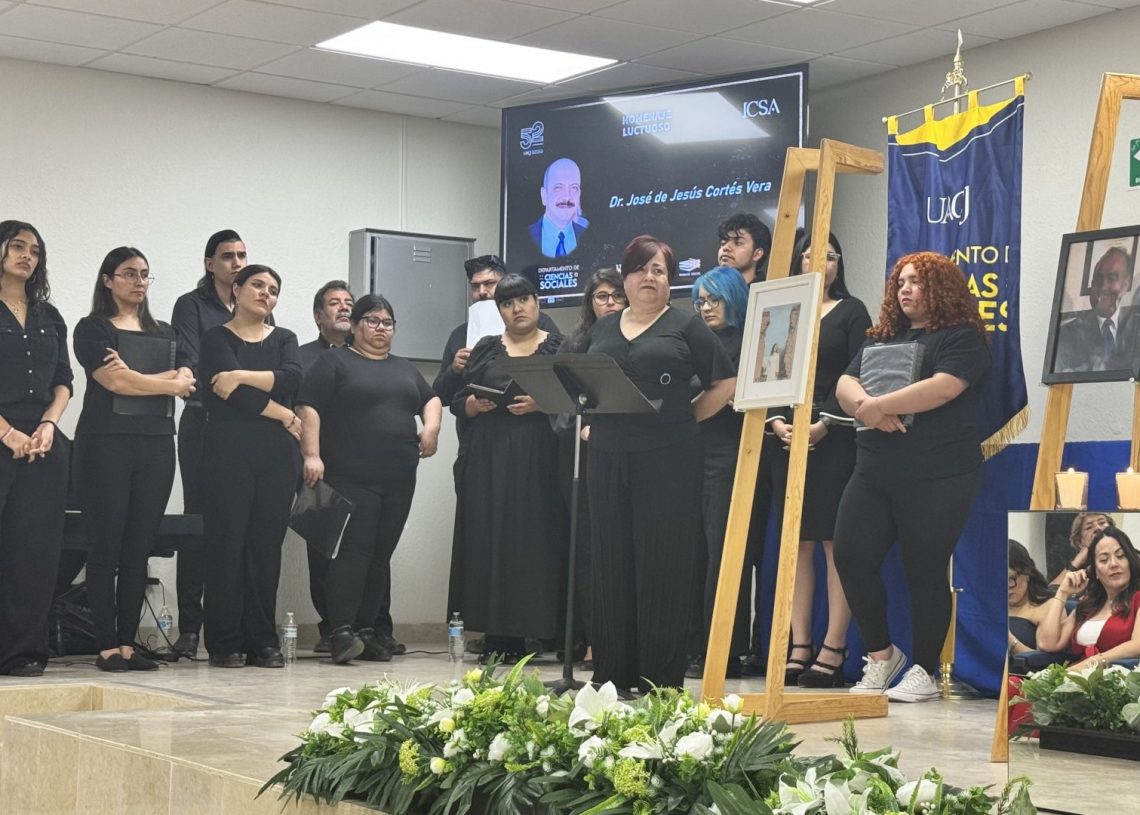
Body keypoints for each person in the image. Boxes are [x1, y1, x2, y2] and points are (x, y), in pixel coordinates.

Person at [833, 251, 991, 703]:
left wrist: (880, 405)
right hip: (874, 469)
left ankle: (924, 669)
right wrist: (865, 406)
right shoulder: (883, 337)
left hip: (939, 473)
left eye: (917, 282)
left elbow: (944, 387)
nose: (905, 289)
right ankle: (882, 656)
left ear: (941, 288)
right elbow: (844, 383)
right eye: (900, 282)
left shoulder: (963, 337)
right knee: (850, 555)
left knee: (924, 568)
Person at [585, 235, 735, 691]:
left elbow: (725, 383)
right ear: (625, 277)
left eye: (659, 271)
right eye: (640, 269)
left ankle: (659, 678)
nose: (649, 278)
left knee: (663, 562)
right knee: (610, 559)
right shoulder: (603, 329)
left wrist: (685, 418)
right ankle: (612, 675)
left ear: (670, 280)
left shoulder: (686, 326)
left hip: (669, 458)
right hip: (607, 456)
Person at [298, 294, 441, 664]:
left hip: (398, 478)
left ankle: (367, 631)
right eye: (373, 321)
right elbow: (308, 408)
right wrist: (311, 455)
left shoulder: (403, 368)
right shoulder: (334, 362)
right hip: (349, 477)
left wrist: (431, 428)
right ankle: (340, 632)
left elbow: (431, 399)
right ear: (355, 325)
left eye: (387, 323)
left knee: (380, 554)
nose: (381, 329)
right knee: (353, 553)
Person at [73, 247, 194, 672]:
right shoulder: (93, 328)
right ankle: (106, 646)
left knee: (138, 548)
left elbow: (187, 377)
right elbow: (115, 383)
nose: (139, 281)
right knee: (105, 547)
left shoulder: (166, 332)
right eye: (128, 273)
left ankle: (127, 644)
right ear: (108, 280)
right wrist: (165, 382)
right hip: (105, 444)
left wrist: (140, 377)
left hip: (156, 444)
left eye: (144, 274)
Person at [769, 233, 871, 687]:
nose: (820, 262)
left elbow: (859, 371)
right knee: (797, 543)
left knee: (833, 543)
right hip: (786, 438)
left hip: (836, 438)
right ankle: (799, 643)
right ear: (797, 261)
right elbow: (768, 370)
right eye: (810, 254)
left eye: (830, 256)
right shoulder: (782, 310)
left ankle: (834, 645)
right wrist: (777, 421)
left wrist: (824, 423)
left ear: (838, 264)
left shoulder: (852, 311)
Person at [448, 274, 566, 662]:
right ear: (499, 310)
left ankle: (534, 635)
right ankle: (496, 637)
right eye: (507, 303)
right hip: (490, 458)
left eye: (523, 300)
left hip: (539, 458)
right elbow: (458, 399)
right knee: (491, 538)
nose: (517, 309)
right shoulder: (486, 348)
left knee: (533, 540)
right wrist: (473, 405)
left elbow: (576, 400)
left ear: (537, 302)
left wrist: (542, 403)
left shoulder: (559, 347)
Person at [198, 265, 301, 668]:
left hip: (276, 457)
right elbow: (229, 396)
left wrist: (240, 374)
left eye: (273, 290)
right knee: (227, 544)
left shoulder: (285, 338)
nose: (265, 294)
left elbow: (292, 379)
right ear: (237, 289)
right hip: (227, 453)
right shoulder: (216, 338)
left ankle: (262, 641)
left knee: (265, 548)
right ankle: (224, 641)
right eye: (257, 285)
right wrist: (283, 414)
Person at [170, 229, 249, 658]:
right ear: (210, 264)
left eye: (242, 255)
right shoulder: (192, 305)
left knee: (237, 522)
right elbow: (191, 359)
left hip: (246, 425)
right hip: (203, 419)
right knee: (199, 520)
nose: (237, 263)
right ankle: (189, 628)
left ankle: (234, 626)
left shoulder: (254, 303)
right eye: (228, 256)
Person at [0, 221, 73, 677]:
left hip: (43, 443)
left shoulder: (49, 316)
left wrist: (49, 424)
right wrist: (7, 433)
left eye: (35, 250)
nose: (27, 255)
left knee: (35, 553)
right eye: (17, 246)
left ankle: (23, 651)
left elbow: (64, 380)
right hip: (2, 434)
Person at [552, 268, 627, 668]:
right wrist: (580, 426)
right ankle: (594, 639)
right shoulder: (576, 343)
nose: (610, 303)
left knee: (622, 548)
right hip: (582, 456)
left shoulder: (637, 340)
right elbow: (561, 405)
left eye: (617, 295)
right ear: (590, 303)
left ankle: (623, 640)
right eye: (602, 296)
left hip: (629, 454)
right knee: (587, 551)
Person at [686, 265, 751, 680]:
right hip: (692, 453)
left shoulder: (748, 342)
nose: (706, 308)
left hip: (728, 455)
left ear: (734, 299)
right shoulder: (696, 341)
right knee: (693, 552)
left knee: (721, 553)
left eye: (715, 300)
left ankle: (722, 647)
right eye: (701, 301)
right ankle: (692, 643)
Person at [297, 280, 355, 655]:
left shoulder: (367, 355)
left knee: (367, 548)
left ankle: (373, 625)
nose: (344, 308)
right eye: (335, 303)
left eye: (349, 302)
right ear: (319, 316)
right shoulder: (301, 357)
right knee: (323, 548)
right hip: (317, 464)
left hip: (362, 464)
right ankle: (331, 628)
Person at [1035, 528, 1140, 671]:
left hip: (1117, 679)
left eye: (1121, 556)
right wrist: (1062, 593)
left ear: (1130, 561)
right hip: (1076, 677)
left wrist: (1093, 662)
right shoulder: (1088, 604)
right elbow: (1047, 643)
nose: (1114, 564)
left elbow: (1137, 645)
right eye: (1104, 559)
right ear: (1094, 571)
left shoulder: (1137, 599)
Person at [1054, 245, 1135, 373]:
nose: (1103, 286)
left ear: (1126, 285)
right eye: (1098, 278)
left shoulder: (1135, 329)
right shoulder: (1066, 334)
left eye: (1112, 278)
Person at [1007, 539, 1058, 657]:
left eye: (1011, 578)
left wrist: (1010, 641)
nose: (1007, 586)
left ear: (1028, 572)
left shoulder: (1049, 607)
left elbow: (1045, 662)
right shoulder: (991, 606)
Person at [529, 158, 586, 258]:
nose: (567, 197)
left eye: (574, 188)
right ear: (544, 195)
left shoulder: (589, 236)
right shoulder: (524, 237)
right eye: (558, 187)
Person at [1048, 512, 1115, 586]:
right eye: (1089, 527)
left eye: (1102, 523)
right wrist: (1078, 560)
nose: (1097, 528)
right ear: (1079, 542)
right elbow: (1052, 590)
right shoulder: (1081, 574)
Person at [716, 213, 771, 285]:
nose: (725, 248)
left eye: (738, 243)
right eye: (723, 243)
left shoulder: (770, 290)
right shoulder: (708, 289)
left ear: (757, 254)